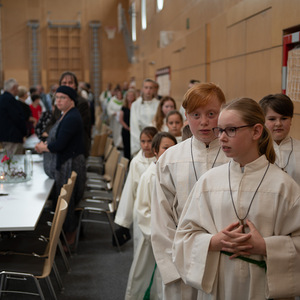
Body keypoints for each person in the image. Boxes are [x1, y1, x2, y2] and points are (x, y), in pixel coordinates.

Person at [173, 97, 300, 300]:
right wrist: (213, 242)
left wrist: (266, 247)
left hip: (264, 286)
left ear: (256, 132)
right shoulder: (209, 182)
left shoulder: (283, 186)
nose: (222, 137)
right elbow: (183, 237)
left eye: (231, 130)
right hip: (219, 286)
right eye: (220, 130)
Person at [151, 82, 229, 300]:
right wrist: (172, 266)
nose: (203, 122)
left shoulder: (235, 155)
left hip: (225, 257)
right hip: (182, 257)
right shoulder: (170, 158)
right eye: (196, 115)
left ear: (222, 112)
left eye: (211, 114)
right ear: (186, 116)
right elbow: (161, 217)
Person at [125, 132, 177, 300]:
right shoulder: (150, 176)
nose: (170, 151)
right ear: (156, 151)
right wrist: (162, 232)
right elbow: (143, 211)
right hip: (154, 236)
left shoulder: (175, 172)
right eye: (166, 148)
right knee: (149, 277)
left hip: (173, 235)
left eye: (174, 148)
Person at [35, 85, 86, 246]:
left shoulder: (72, 117)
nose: (58, 101)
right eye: (57, 98)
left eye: (62, 98)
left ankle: (69, 238)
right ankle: (65, 234)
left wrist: (44, 147)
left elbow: (60, 145)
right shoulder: (65, 115)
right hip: (65, 162)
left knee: (67, 202)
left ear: (71, 100)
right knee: (63, 200)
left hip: (70, 164)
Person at [114, 127, 158, 250]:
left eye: (149, 141)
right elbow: (129, 189)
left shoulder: (161, 160)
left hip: (157, 206)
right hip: (140, 207)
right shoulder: (136, 162)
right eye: (143, 141)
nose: (146, 145)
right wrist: (124, 221)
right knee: (141, 245)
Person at [259, 93, 300, 185]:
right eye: (272, 119)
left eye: (284, 118)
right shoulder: (255, 150)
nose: (278, 123)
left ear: (291, 120)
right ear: (262, 121)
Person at [59, 71, 92, 158]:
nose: (67, 85)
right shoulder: (58, 102)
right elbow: (53, 122)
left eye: (70, 83)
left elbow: (75, 126)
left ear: (75, 86)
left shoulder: (82, 103)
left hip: (77, 148)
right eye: (64, 83)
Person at [130, 79, 160, 155]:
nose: (148, 90)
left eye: (150, 88)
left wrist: (153, 140)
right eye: (146, 88)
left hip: (155, 139)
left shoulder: (158, 104)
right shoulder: (135, 105)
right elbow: (134, 125)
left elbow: (158, 121)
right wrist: (142, 141)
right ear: (142, 89)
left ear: (154, 89)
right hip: (139, 140)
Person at [0, 78, 27, 155]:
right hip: (12, 137)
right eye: (17, 88)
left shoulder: (1, 99)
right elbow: (17, 118)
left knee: (8, 159)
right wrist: (24, 132)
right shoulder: (10, 100)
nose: (18, 90)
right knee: (13, 162)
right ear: (14, 88)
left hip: (4, 136)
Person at [119, 88, 136, 160]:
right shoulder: (124, 107)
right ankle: (127, 164)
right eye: (129, 95)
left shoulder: (136, 106)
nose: (130, 97)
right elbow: (121, 120)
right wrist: (128, 128)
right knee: (127, 148)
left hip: (134, 131)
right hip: (126, 130)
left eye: (132, 96)